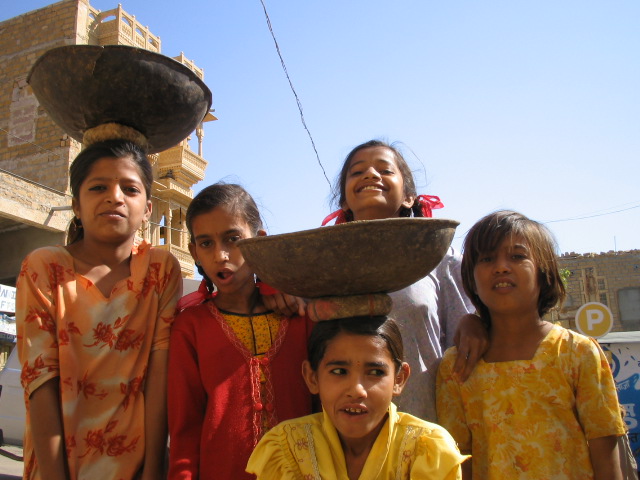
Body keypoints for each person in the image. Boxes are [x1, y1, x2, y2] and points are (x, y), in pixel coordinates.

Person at [16, 139, 182, 480]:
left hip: (133, 466)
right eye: (98, 187)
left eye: (130, 188)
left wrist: (153, 471)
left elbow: (158, 374)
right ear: (76, 204)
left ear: (148, 208)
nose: (115, 197)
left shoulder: (160, 270)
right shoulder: (44, 268)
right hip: (57, 466)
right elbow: (40, 379)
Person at [436, 210, 626, 479]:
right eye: (487, 258)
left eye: (517, 256)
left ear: (544, 271)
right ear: (471, 279)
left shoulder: (576, 353)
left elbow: (606, 458)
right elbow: (458, 462)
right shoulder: (457, 365)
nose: (501, 266)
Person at [320, 139, 483, 421]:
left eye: (385, 170)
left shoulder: (441, 259)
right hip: (346, 433)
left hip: (427, 426)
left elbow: (465, 339)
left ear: (409, 197)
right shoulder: (321, 265)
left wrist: (477, 321)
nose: (371, 175)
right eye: (357, 172)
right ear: (344, 200)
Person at [167, 183, 314, 480]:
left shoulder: (299, 317)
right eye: (206, 243)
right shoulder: (190, 328)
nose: (221, 255)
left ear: (258, 242)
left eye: (233, 239)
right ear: (193, 251)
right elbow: (185, 427)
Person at [246, 315, 467, 479]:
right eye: (339, 372)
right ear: (312, 377)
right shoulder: (288, 448)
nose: (357, 390)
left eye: (375, 372)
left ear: (399, 379)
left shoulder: (427, 450)